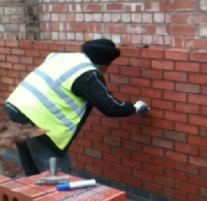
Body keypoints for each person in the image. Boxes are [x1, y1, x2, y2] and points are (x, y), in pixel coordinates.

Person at [4, 38, 149, 176]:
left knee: (33, 173)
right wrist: (135, 107)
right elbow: (111, 107)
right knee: (57, 176)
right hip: (38, 123)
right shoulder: (86, 74)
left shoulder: (62, 58)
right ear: (104, 63)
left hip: (15, 110)